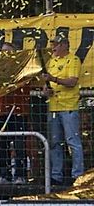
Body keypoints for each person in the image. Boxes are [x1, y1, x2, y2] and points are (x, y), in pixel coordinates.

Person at [41, 33, 84, 187]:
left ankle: (77, 175)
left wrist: (53, 79)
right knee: (54, 143)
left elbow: (72, 81)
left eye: (57, 45)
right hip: (53, 107)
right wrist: (46, 90)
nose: (54, 47)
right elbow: (46, 85)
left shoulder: (73, 60)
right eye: (53, 45)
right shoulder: (51, 61)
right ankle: (56, 176)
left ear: (65, 45)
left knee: (73, 141)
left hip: (69, 107)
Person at [0, 43, 31, 184]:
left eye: (7, 52)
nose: (4, 55)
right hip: (2, 112)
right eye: (3, 52)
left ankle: (20, 175)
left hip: (18, 111)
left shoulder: (21, 68)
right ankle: (4, 175)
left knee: (19, 145)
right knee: (2, 144)